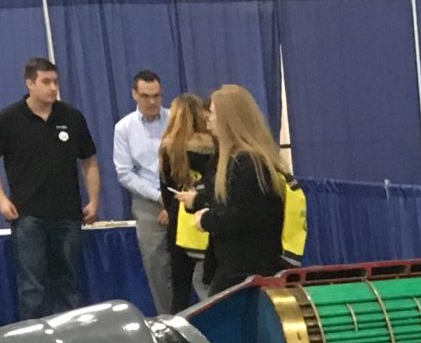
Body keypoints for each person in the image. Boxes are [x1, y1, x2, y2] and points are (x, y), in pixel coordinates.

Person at [0, 56, 100, 317]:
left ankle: (68, 340)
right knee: (32, 287)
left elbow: (89, 160)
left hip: (67, 215)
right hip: (28, 216)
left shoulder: (72, 117)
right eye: (46, 82)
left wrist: (94, 199)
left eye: (55, 81)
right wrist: (1, 199)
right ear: (30, 84)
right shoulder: (9, 118)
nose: (53, 87)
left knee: (68, 282)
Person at [173, 85, 290, 292]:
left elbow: (244, 215)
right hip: (237, 267)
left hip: (246, 272)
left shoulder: (247, 163)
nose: (208, 120)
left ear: (230, 120)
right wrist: (198, 202)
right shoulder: (236, 160)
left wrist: (206, 220)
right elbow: (229, 201)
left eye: (214, 114)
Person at [114, 69, 173, 312]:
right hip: (148, 203)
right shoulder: (124, 128)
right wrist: (161, 198)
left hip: (182, 197)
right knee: (157, 268)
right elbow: (124, 172)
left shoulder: (175, 120)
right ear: (134, 95)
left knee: (197, 265)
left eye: (156, 96)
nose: (152, 102)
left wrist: (174, 200)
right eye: (146, 96)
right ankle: (169, 320)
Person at [157, 93, 215, 307]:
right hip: (207, 221)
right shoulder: (215, 147)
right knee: (209, 285)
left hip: (179, 226)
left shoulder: (168, 150)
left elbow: (166, 193)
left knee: (180, 290)